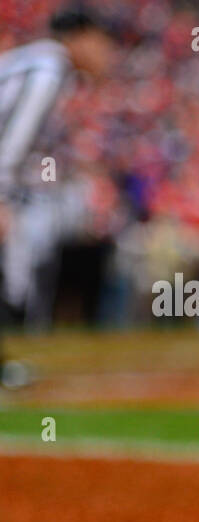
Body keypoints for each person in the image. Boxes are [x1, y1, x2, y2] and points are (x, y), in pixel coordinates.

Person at [0, 6, 118, 390]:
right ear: (80, 37)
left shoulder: (37, 62)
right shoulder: (49, 69)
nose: (106, 54)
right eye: (101, 42)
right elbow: (13, 139)